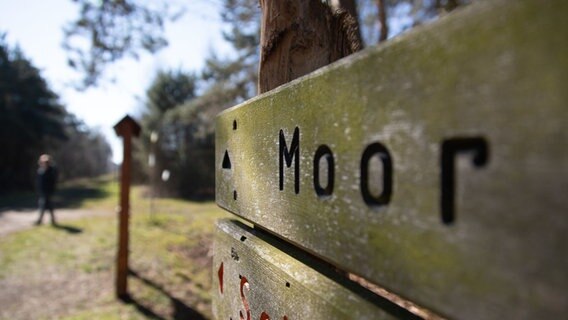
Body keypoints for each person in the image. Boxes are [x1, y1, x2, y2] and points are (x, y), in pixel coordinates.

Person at [36, 154, 58, 225]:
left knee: (43, 205)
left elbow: (53, 181)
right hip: (42, 191)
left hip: (49, 191)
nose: (44, 163)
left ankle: (40, 220)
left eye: (46, 162)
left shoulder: (51, 171)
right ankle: (52, 220)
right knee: (48, 206)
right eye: (43, 162)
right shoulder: (40, 170)